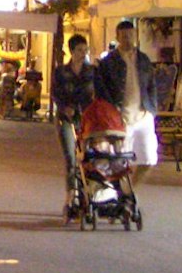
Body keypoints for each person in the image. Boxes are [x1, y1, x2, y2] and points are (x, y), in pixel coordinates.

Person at [94, 20, 158, 185]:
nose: (128, 39)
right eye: (124, 36)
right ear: (117, 37)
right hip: (121, 118)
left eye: (131, 35)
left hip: (143, 115)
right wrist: (112, 111)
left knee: (149, 158)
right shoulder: (109, 62)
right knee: (121, 161)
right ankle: (122, 194)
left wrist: (152, 109)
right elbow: (102, 90)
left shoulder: (143, 60)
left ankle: (131, 192)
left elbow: (152, 85)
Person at [53, 34, 98, 203]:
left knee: (88, 157)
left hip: (88, 118)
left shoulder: (92, 71)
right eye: (79, 50)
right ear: (71, 51)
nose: (83, 53)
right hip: (67, 119)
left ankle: (87, 192)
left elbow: (97, 93)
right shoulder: (61, 72)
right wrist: (65, 108)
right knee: (71, 157)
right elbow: (56, 94)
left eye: (85, 50)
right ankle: (71, 194)